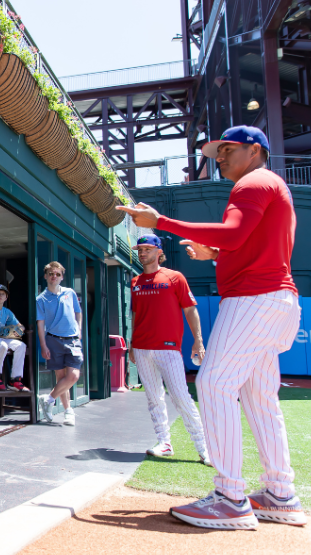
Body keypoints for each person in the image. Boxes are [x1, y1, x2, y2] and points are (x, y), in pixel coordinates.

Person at [119, 125, 307, 529]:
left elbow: (238, 234)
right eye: (215, 151)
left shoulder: (253, 183)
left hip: (254, 300)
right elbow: (248, 244)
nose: (218, 157)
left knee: (213, 384)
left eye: (227, 149)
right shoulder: (269, 184)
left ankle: (229, 495)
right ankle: (280, 493)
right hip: (275, 299)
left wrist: (161, 220)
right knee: (258, 396)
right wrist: (218, 255)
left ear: (255, 150)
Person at [128, 234, 210, 465]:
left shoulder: (175, 277)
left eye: (147, 249)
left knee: (181, 397)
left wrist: (198, 341)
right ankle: (164, 442)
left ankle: (205, 449)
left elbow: (190, 309)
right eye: (140, 249)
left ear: (158, 251)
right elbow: (136, 315)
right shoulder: (135, 282)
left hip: (168, 349)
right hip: (143, 349)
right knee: (154, 398)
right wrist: (132, 344)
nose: (142, 253)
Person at [35, 262, 82, 426]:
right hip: (53, 340)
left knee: (73, 376)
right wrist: (43, 345)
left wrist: (79, 329)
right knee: (61, 377)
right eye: (51, 274)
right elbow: (40, 324)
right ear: (46, 276)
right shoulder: (40, 299)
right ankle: (68, 411)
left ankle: (48, 399)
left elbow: (78, 312)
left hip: (73, 340)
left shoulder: (70, 293)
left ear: (62, 277)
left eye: (57, 274)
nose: (54, 276)